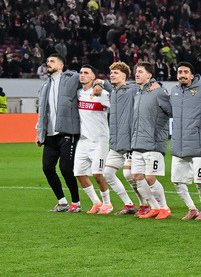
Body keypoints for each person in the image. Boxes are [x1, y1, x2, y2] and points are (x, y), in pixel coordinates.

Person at [168, 62, 201, 220]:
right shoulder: (174, 91)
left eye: (185, 72)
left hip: (199, 145)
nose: (182, 74)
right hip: (179, 144)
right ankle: (192, 208)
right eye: (180, 72)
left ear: (192, 75)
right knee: (176, 181)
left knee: (200, 181)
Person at [35, 54, 82, 212]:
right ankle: (62, 202)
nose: (48, 63)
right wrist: (39, 132)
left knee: (66, 168)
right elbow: (42, 112)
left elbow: (88, 77)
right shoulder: (45, 86)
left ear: (61, 66)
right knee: (47, 168)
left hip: (67, 131)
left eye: (52, 61)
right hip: (49, 134)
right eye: (47, 61)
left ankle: (76, 202)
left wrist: (99, 85)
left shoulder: (72, 77)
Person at [129, 61, 173, 219]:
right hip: (137, 142)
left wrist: (161, 87)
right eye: (136, 71)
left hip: (153, 142)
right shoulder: (137, 93)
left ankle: (164, 207)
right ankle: (154, 207)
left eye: (140, 71)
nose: (137, 74)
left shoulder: (158, 92)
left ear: (149, 75)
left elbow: (170, 111)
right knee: (136, 177)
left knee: (150, 177)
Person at [103, 61, 143, 214]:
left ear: (124, 76)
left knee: (131, 175)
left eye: (116, 73)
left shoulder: (132, 89)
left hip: (130, 142)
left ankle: (145, 204)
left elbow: (145, 85)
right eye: (111, 72)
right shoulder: (113, 93)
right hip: (116, 142)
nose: (112, 75)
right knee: (107, 173)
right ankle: (129, 204)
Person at [72, 65, 113, 214]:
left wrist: (100, 84)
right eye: (81, 73)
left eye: (86, 73)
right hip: (83, 140)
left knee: (97, 174)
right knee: (79, 173)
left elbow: (115, 107)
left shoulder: (102, 94)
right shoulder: (77, 94)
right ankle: (96, 202)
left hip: (99, 140)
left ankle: (107, 204)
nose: (82, 75)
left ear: (93, 77)